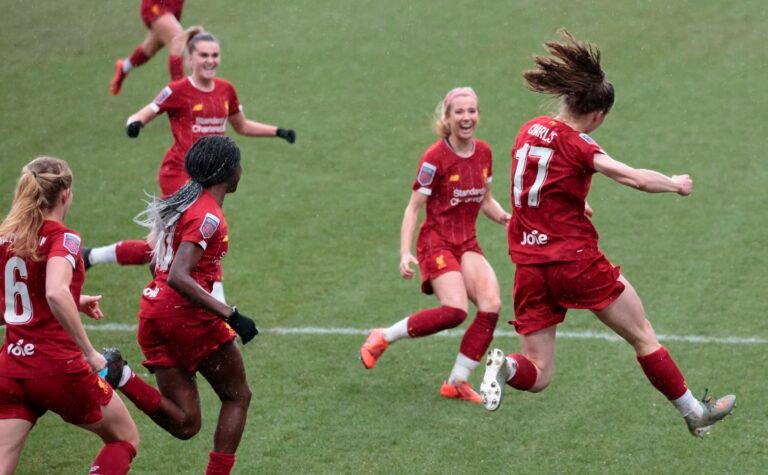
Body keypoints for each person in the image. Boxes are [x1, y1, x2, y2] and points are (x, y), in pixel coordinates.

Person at [478, 29, 735, 437]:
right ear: (597, 115)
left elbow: (534, 186)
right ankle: (693, 412)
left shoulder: (528, 130)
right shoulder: (581, 145)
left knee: (539, 373)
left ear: (565, 97)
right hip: (574, 262)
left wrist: (574, 203)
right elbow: (633, 178)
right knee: (643, 335)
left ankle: (505, 367)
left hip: (528, 266)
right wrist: (674, 182)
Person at [101, 136, 257, 475]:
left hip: (154, 314)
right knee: (237, 396)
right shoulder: (209, 217)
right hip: (187, 318)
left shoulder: (183, 203)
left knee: (186, 424)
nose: (242, 171)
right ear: (228, 173)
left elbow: (157, 263)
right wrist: (231, 315)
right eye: (239, 165)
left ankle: (121, 374)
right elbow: (178, 275)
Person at [88, 30, 296, 270]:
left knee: (162, 246)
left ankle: (92, 256)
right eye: (204, 55)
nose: (210, 60)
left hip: (212, 178)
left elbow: (242, 125)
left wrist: (278, 131)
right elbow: (145, 112)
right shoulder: (177, 90)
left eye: (215, 55)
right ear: (191, 59)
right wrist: (135, 124)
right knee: (201, 235)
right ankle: (206, 293)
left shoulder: (225, 89)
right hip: (179, 174)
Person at [359, 87, 511, 403]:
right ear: (448, 117)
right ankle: (383, 336)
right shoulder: (435, 158)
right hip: (436, 242)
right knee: (455, 311)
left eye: (472, 111)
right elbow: (413, 207)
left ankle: (456, 381)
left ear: (478, 115)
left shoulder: (484, 153)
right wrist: (404, 252)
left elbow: (486, 201)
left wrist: (507, 219)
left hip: (467, 242)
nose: (466, 117)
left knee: (491, 304)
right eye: (459, 112)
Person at [0, 157, 139, 474]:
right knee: (124, 437)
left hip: (11, 369)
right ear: (64, 194)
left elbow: (15, 300)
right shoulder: (65, 237)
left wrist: (75, 300)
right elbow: (54, 292)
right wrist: (90, 353)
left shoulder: (6, 239)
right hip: (57, 368)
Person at [110, 0, 187, 95]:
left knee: (150, 48)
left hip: (175, 6)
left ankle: (124, 67)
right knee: (177, 40)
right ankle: (181, 93)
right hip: (156, 5)